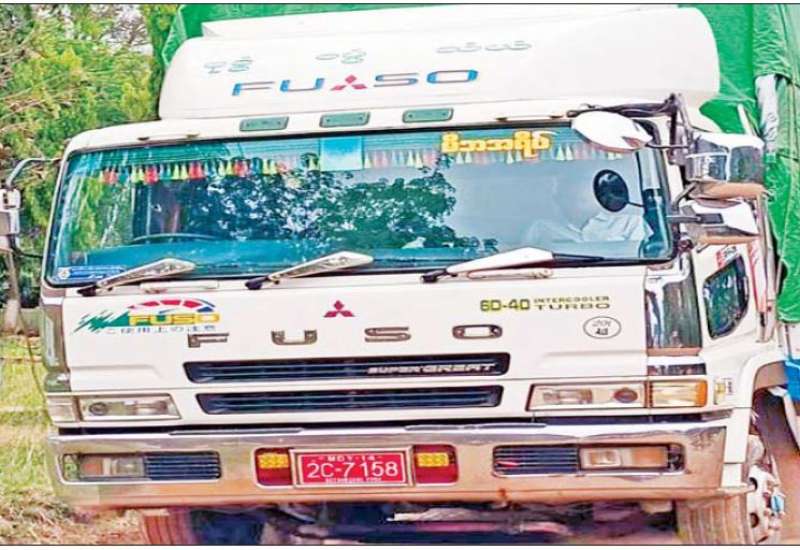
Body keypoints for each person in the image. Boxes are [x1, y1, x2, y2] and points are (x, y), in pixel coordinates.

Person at [525, 174, 650, 247]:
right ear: (559, 201)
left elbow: (644, 259)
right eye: (570, 199)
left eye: (583, 200)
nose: (576, 205)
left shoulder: (630, 223)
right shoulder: (541, 228)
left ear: (598, 199)